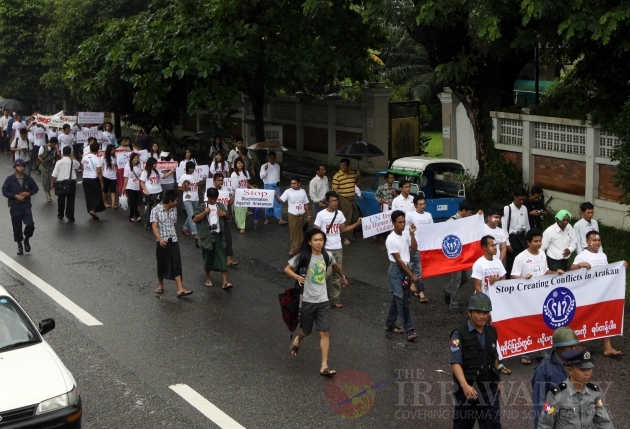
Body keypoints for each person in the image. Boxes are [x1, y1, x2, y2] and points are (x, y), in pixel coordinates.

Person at [284, 228, 348, 376]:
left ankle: (324, 366)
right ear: (309, 242)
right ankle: (298, 340)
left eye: (321, 240)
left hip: (323, 300)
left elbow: (336, 265)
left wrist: (343, 277)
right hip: (307, 300)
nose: (319, 243)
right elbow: (287, 269)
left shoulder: (327, 255)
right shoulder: (303, 256)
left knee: (325, 332)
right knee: (306, 330)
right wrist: (297, 277)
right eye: (316, 240)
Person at [511, 228, 564, 365]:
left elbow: (545, 271)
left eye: (540, 241)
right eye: (535, 241)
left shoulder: (542, 254)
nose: (538, 243)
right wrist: (524, 278)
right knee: (527, 324)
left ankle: (541, 350)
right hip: (526, 298)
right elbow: (513, 276)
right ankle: (526, 352)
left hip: (541, 295)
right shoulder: (520, 257)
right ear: (528, 242)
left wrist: (555, 273)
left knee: (541, 322)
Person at [571, 231, 627, 358]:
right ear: (587, 242)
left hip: (601, 293)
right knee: (583, 317)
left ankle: (608, 347)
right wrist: (580, 265)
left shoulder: (603, 256)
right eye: (594, 240)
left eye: (598, 240)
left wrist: (621, 266)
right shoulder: (582, 255)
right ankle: (577, 343)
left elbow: (608, 272)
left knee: (605, 317)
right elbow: (571, 270)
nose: (596, 242)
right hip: (586, 295)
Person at [449, 293, 502, 429]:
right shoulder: (458, 334)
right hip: (468, 393)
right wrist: (465, 386)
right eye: (478, 312)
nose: (482, 316)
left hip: (489, 391)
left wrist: (498, 381)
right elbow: (455, 362)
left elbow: (494, 357)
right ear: (469, 312)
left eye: (486, 312)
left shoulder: (492, 331)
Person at [537, 349, 614, 429]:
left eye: (590, 369)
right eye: (582, 370)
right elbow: (545, 425)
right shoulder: (556, 395)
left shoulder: (593, 392)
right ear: (570, 370)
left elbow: (604, 421)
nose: (588, 373)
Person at [314, 191, 362, 309]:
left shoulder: (339, 214)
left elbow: (343, 229)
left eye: (336, 201)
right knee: (326, 273)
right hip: (326, 249)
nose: (335, 203)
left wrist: (356, 224)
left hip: (338, 248)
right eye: (333, 201)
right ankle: (319, 297)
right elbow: (316, 231)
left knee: (337, 275)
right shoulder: (321, 215)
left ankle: (334, 300)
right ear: (327, 202)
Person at [531, 327, 580, 429]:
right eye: (569, 347)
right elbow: (540, 406)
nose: (573, 350)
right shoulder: (543, 370)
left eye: (574, 346)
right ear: (558, 348)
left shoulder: (578, 363)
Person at [150, 189, 192, 297]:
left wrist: (173, 235)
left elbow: (173, 224)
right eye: (176, 200)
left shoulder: (173, 210)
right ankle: (160, 284)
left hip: (173, 240)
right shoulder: (156, 210)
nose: (177, 202)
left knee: (176, 263)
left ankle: (180, 289)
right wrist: (160, 239)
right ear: (170, 201)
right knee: (162, 263)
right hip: (162, 241)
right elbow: (154, 227)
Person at [385, 210, 419, 341]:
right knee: (402, 301)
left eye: (404, 221)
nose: (402, 224)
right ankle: (409, 329)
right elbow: (398, 260)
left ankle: (390, 323)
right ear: (393, 223)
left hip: (405, 268)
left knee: (397, 298)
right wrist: (412, 275)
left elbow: (414, 249)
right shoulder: (391, 239)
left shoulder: (406, 234)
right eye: (399, 222)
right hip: (396, 271)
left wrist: (412, 235)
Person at [193, 187, 232, 289]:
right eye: (212, 198)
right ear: (208, 197)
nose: (213, 200)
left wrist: (225, 214)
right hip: (207, 236)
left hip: (218, 235)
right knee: (207, 258)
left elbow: (229, 217)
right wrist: (205, 212)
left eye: (215, 198)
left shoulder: (220, 206)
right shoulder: (202, 207)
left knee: (222, 258)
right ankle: (208, 279)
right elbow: (195, 218)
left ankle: (225, 282)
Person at [443, 199, 476, 314]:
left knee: (466, 277)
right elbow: (443, 234)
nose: (471, 215)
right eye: (470, 213)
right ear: (464, 211)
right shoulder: (452, 221)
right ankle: (454, 305)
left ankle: (448, 290)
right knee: (456, 279)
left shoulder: (467, 220)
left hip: (465, 254)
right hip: (455, 254)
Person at [2, 159, 39, 255]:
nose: (21, 168)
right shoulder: (10, 179)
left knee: (30, 224)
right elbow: (4, 191)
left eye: (22, 166)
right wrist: (14, 196)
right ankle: (19, 245)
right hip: (15, 206)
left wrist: (28, 193)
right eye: (18, 166)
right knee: (17, 227)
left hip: (26, 205)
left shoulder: (28, 179)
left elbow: (35, 188)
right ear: (14, 167)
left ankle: (26, 239)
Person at [404, 195, 433, 302]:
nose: (422, 206)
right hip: (414, 246)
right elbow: (405, 228)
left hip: (424, 246)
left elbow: (432, 229)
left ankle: (417, 289)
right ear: (415, 205)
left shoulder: (429, 215)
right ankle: (418, 289)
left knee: (417, 269)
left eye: (423, 204)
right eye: (420, 204)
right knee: (415, 268)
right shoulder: (410, 215)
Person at [275, 176, 311, 256]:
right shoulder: (288, 191)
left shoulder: (303, 191)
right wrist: (276, 195)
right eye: (291, 183)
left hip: (301, 216)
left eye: (295, 183)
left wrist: (308, 215)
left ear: (299, 183)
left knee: (300, 233)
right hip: (292, 216)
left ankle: (299, 248)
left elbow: (306, 204)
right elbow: (280, 201)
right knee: (294, 233)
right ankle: (294, 249)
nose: (293, 185)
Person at [502, 187, 531, 278]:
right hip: (512, 237)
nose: (521, 202)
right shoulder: (507, 209)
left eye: (523, 199)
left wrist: (529, 239)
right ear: (514, 197)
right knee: (512, 261)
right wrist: (507, 243)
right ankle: (510, 281)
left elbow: (527, 225)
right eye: (520, 199)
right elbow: (504, 227)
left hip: (522, 237)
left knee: (523, 259)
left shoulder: (524, 209)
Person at [210, 173, 238, 266]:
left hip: (224, 218)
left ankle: (228, 259)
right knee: (215, 238)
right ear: (214, 181)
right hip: (214, 219)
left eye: (221, 180)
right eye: (218, 180)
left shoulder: (225, 191)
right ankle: (214, 259)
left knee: (227, 238)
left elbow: (228, 204)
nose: (220, 182)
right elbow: (207, 204)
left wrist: (234, 196)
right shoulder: (210, 191)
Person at [332, 158, 360, 245]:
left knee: (355, 216)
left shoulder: (353, 174)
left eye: (344, 165)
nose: (342, 167)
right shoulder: (337, 176)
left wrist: (359, 176)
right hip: (343, 198)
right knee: (346, 217)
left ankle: (348, 231)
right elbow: (334, 190)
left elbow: (358, 185)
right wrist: (335, 202)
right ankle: (346, 238)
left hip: (352, 198)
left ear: (348, 165)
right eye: (341, 165)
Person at [141, 157, 175, 229]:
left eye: (155, 163)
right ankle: (147, 223)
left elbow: (164, 176)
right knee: (148, 208)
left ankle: (155, 223)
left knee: (157, 209)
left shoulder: (157, 171)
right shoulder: (145, 172)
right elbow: (142, 182)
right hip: (149, 193)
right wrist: (145, 190)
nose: (154, 165)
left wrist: (171, 171)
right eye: (153, 163)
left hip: (158, 192)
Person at [51, 146, 80, 222]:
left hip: (60, 183)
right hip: (71, 182)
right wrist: (72, 156)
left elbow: (54, 174)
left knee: (61, 199)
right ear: (70, 153)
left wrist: (52, 182)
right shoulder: (73, 162)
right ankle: (70, 216)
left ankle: (60, 214)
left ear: (62, 153)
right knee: (71, 200)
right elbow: (78, 165)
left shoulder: (59, 162)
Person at [81, 142, 106, 220]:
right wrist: (102, 183)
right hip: (93, 179)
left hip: (85, 178)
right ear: (97, 150)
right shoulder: (97, 159)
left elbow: (83, 168)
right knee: (99, 196)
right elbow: (99, 172)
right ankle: (93, 209)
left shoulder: (84, 157)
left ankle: (92, 210)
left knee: (89, 196)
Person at [260, 151, 285, 225]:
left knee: (278, 201)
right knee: (268, 202)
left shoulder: (278, 166)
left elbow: (278, 176)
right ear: (268, 158)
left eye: (274, 157)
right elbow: (261, 177)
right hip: (268, 186)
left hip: (276, 186)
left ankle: (280, 219)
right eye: (271, 157)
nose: (272, 159)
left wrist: (278, 183)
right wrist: (265, 170)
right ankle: (267, 218)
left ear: (276, 158)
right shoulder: (264, 166)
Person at [231, 158, 255, 233]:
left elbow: (246, 183)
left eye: (241, 163)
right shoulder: (234, 174)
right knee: (238, 210)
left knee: (244, 210)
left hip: (245, 194)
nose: (240, 164)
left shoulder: (246, 172)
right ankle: (241, 227)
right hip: (237, 194)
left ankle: (241, 225)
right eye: (238, 163)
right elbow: (232, 185)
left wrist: (252, 187)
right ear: (235, 165)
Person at [178, 161, 201, 238]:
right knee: (192, 216)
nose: (192, 169)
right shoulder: (183, 177)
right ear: (187, 168)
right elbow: (179, 187)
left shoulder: (196, 175)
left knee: (191, 215)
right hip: (187, 198)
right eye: (190, 168)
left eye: (193, 168)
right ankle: (195, 233)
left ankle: (185, 227)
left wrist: (203, 181)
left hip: (195, 197)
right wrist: (185, 189)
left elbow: (199, 183)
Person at [373, 172, 397, 244]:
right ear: (386, 179)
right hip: (384, 208)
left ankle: (390, 238)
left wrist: (395, 194)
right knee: (380, 223)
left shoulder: (394, 188)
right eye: (390, 178)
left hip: (391, 208)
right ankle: (375, 236)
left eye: (393, 178)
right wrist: (380, 201)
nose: (392, 179)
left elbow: (398, 198)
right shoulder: (382, 187)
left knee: (391, 223)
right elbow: (376, 196)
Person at [123, 152, 143, 223]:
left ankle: (131, 216)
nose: (136, 160)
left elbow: (141, 175)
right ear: (131, 159)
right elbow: (125, 178)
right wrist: (124, 188)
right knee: (133, 201)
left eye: (137, 158)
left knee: (133, 202)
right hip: (129, 186)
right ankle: (138, 215)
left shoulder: (139, 166)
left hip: (136, 186)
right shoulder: (127, 166)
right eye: (135, 158)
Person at [38, 137, 58, 203]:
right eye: (54, 144)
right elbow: (39, 156)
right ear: (51, 142)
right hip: (44, 167)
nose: (54, 145)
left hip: (51, 167)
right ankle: (48, 195)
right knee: (45, 180)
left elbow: (54, 157)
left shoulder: (54, 149)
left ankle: (50, 193)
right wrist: (44, 162)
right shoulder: (43, 147)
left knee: (51, 180)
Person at [101, 144, 118, 209]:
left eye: (114, 150)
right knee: (105, 190)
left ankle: (113, 203)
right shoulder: (103, 157)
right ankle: (105, 201)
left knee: (113, 190)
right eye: (111, 150)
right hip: (105, 176)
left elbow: (117, 165)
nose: (113, 151)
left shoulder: (115, 157)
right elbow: (100, 166)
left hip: (113, 177)